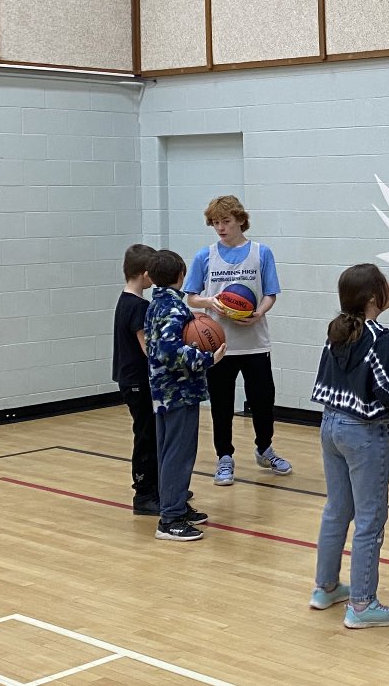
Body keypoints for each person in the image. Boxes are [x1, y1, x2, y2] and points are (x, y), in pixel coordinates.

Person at [309, 264, 389, 628]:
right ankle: (362, 605)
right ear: (372, 299)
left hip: (330, 426)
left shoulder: (337, 331)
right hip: (363, 434)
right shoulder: (378, 338)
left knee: (337, 511)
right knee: (370, 520)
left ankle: (325, 588)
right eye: (386, 285)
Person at [184, 195, 291, 485]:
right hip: (218, 345)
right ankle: (224, 457)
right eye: (215, 223)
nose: (220, 227)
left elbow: (271, 294)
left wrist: (259, 313)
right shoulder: (204, 256)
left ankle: (264, 448)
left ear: (240, 220)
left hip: (255, 341)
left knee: (263, 401)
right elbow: (191, 296)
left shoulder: (261, 253)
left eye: (226, 221)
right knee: (221, 404)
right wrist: (210, 302)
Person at [145, 249, 224, 541]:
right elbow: (169, 352)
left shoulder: (157, 305)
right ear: (181, 276)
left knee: (170, 452)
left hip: (163, 391)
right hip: (178, 392)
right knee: (178, 454)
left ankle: (175, 504)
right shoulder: (174, 309)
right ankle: (170, 519)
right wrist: (208, 359)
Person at [112, 243, 157, 515]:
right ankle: (143, 493)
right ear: (145, 274)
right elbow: (147, 348)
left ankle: (156, 485)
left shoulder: (124, 299)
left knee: (148, 433)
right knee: (145, 436)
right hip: (137, 380)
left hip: (129, 378)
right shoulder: (139, 306)